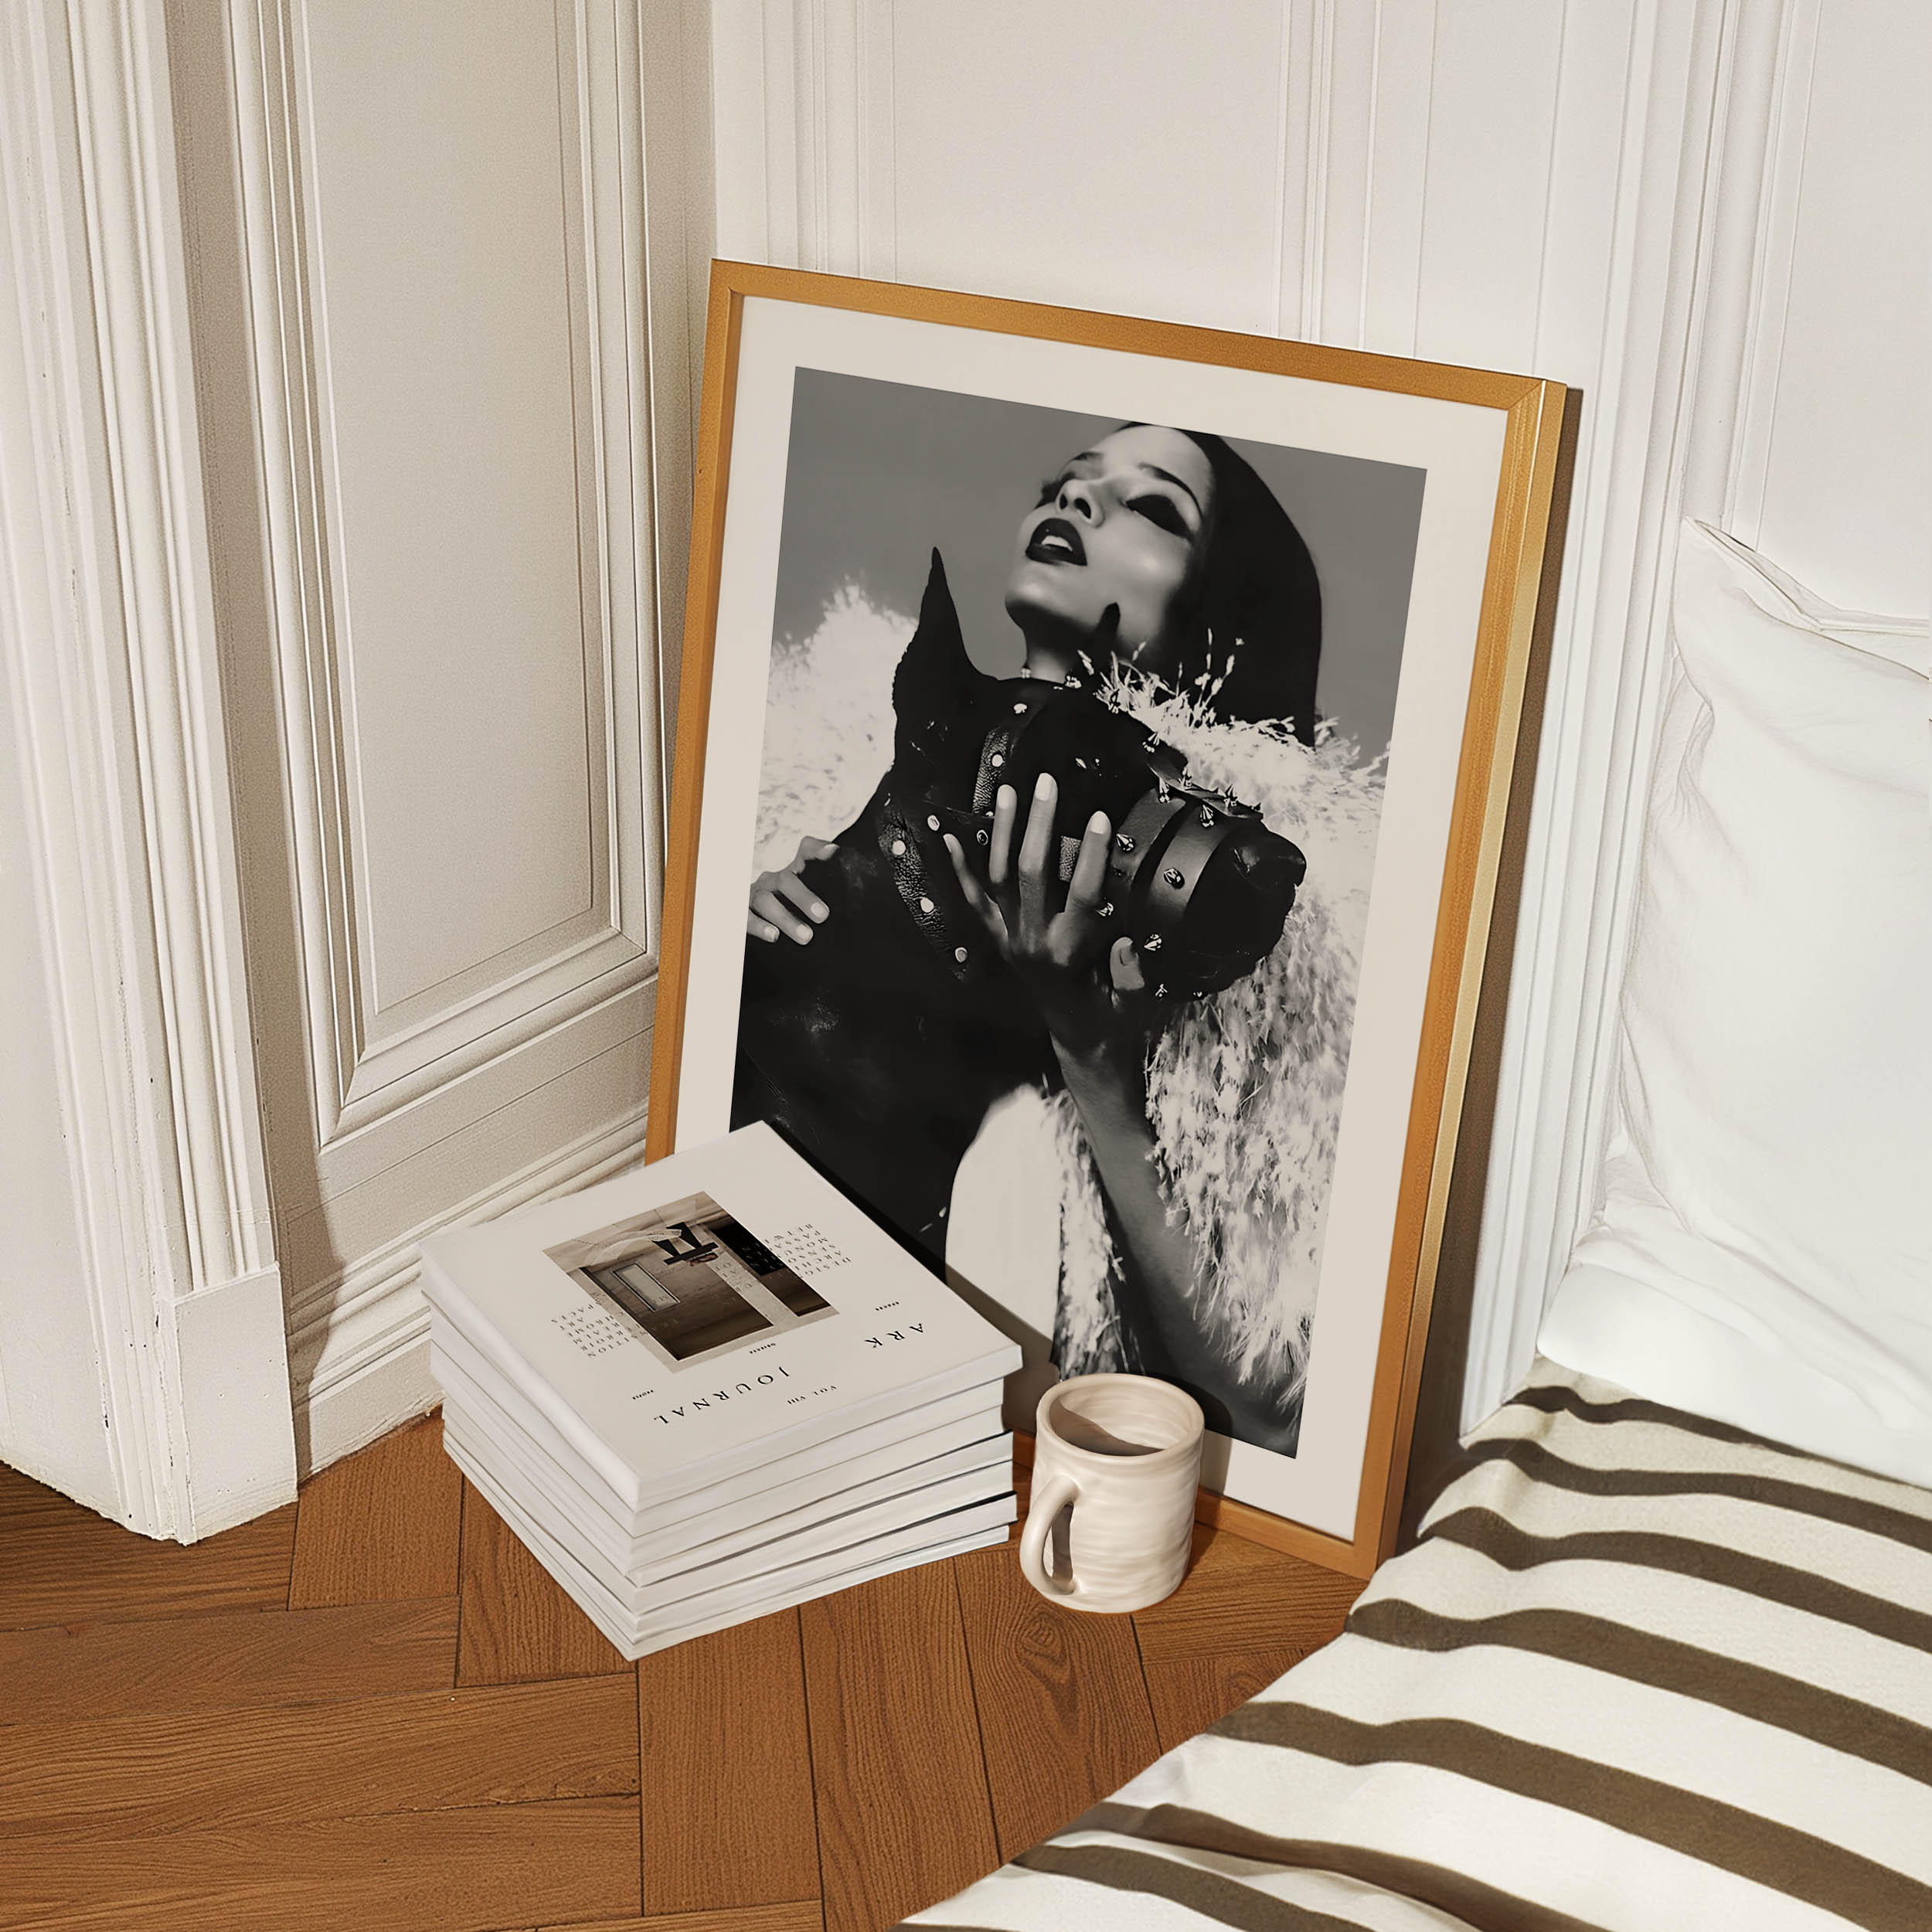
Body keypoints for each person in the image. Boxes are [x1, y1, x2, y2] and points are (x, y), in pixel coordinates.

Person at [740, 424, 1376, 1454]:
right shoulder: (852, 765)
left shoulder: (1246, 933)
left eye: (1154, 507)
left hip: (992, 1424)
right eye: (1067, 482)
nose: (1077, 501)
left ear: (1227, 616)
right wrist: (765, 934)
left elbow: (1273, 1403)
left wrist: (1092, 1055)